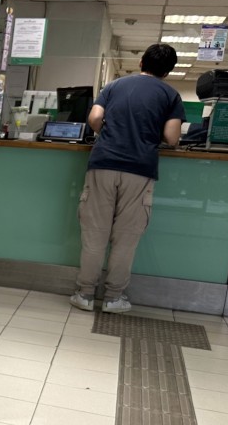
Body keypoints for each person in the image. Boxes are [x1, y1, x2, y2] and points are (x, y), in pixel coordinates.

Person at [70, 43, 186, 314]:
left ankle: (85, 294)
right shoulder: (171, 95)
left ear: (141, 62)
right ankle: (113, 298)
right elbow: (172, 137)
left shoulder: (114, 86)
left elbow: (95, 118)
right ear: (168, 71)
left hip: (103, 164)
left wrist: (108, 132)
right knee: (125, 238)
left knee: (95, 233)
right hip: (140, 169)